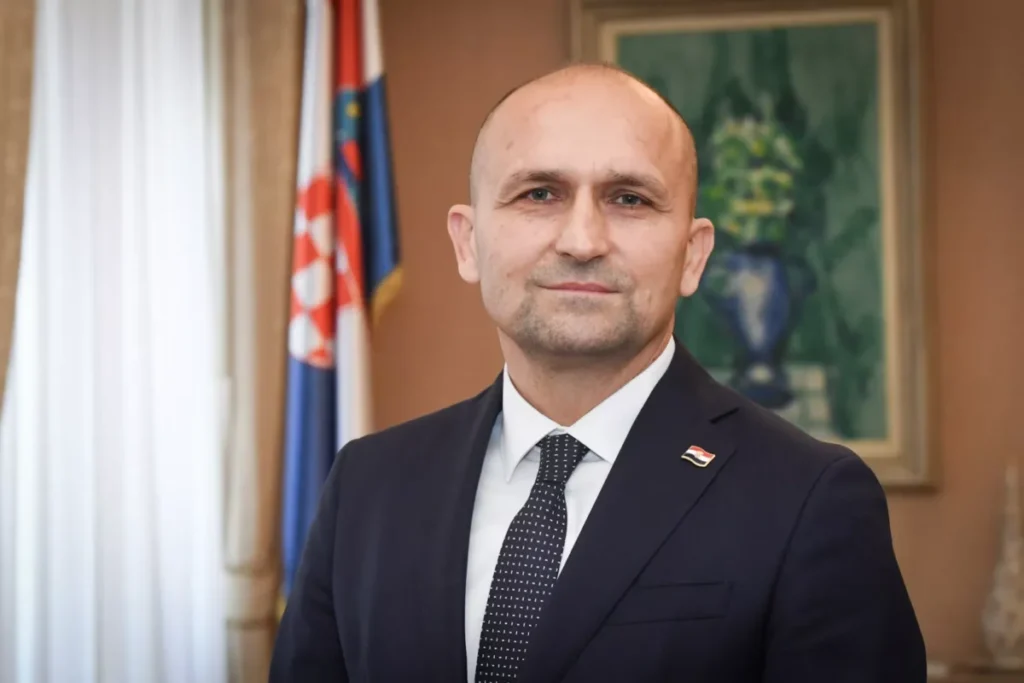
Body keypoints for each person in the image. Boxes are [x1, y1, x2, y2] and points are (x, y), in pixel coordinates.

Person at [269, 63, 926, 683]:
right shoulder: (367, 486)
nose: (582, 241)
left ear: (693, 255)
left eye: (629, 199)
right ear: (468, 243)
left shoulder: (809, 499)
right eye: (539, 194)